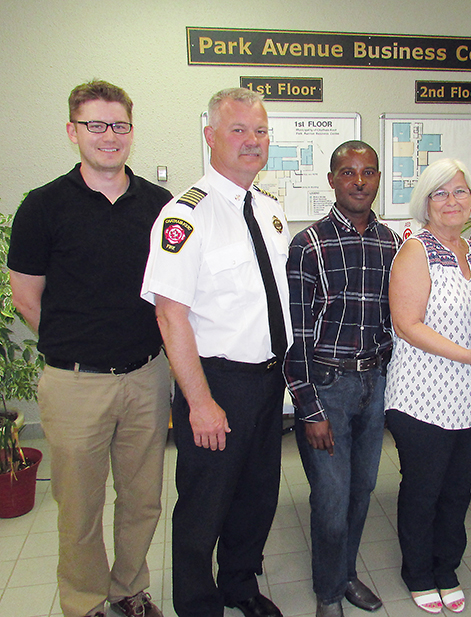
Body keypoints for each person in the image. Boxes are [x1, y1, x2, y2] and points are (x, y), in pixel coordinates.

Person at [7, 80, 172, 617]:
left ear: (131, 131)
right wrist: (79, 341)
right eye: (96, 125)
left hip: (147, 377)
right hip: (75, 383)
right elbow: (27, 297)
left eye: (119, 125)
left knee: (142, 501)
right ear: (73, 131)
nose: (109, 136)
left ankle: (129, 590)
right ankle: (84, 602)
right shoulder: (43, 205)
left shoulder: (159, 205)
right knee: (78, 509)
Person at [141, 87, 291, 617]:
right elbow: (170, 314)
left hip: (269, 383)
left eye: (261, 131)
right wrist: (199, 403)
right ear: (210, 137)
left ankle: (240, 586)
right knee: (204, 506)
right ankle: (199, 604)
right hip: (216, 383)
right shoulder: (185, 217)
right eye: (239, 130)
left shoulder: (272, 212)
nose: (253, 142)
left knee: (257, 497)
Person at [383, 158, 471, 614]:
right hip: (423, 397)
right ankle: (417, 571)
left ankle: (447, 565)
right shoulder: (415, 250)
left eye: (459, 192)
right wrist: (467, 356)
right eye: (440, 193)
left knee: (459, 489)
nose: (451, 201)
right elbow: (407, 324)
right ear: (426, 202)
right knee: (424, 488)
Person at [284, 140, 401, 617]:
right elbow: (295, 337)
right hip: (327, 389)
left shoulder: (391, 243)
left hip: (373, 386)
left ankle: (346, 574)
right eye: (348, 172)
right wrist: (308, 408)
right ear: (331, 180)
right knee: (331, 500)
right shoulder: (307, 245)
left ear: (377, 179)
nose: (359, 181)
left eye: (368, 172)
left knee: (362, 489)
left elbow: (399, 320)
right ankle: (328, 594)